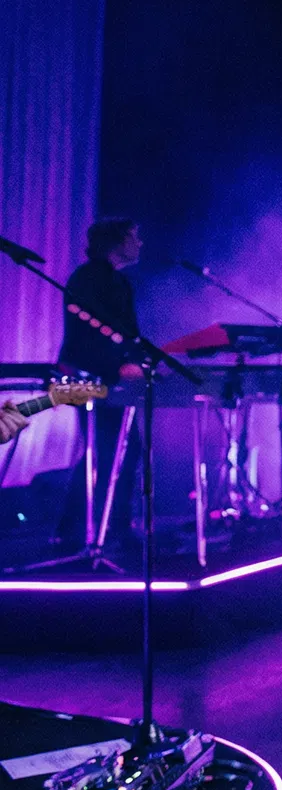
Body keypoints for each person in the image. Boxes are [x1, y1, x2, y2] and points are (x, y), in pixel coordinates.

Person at [53, 218, 149, 545]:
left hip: (104, 375)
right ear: (117, 240)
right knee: (109, 448)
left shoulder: (117, 282)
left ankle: (100, 526)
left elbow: (128, 335)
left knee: (116, 448)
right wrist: (120, 365)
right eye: (134, 236)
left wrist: (137, 362)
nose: (139, 243)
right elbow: (87, 336)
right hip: (86, 375)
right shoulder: (89, 279)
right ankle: (90, 528)